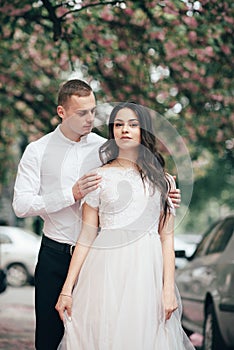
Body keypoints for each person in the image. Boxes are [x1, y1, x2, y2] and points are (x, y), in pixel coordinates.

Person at [12, 80, 181, 350]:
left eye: (93, 111)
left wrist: (165, 192)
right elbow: (20, 206)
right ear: (61, 112)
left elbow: (139, 186)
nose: (90, 118)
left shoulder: (106, 148)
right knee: (50, 337)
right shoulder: (38, 150)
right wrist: (71, 194)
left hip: (102, 260)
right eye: (82, 113)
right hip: (56, 253)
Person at [55, 102, 194, 350]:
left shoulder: (164, 181)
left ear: (144, 132)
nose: (125, 130)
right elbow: (86, 234)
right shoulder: (98, 177)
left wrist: (168, 288)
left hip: (146, 272)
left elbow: (167, 237)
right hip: (104, 269)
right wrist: (67, 288)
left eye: (133, 125)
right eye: (118, 125)